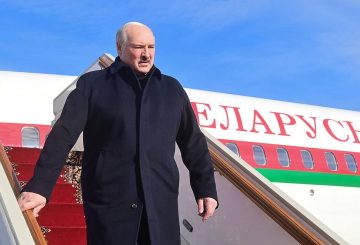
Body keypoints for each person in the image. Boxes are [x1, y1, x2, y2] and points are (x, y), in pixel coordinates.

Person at [18, 22, 218, 245]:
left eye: (151, 47)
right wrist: (39, 187)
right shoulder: (93, 86)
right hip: (109, 205)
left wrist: (205, 188)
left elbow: (194, 144)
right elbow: (62, 136)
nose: (146, 54)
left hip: (160, 205)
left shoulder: (172, 90)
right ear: (119, 47)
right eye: (138, 47)